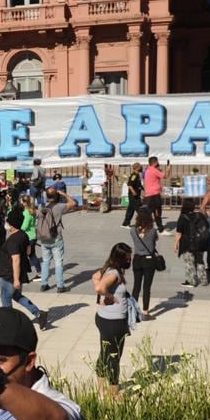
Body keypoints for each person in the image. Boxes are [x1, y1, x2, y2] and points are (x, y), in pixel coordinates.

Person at [91, 243, 133, 399]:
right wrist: (110, 297)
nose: (131, 259)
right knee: (114, 357)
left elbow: (95, 277)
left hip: (104, 319)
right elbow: (99, 288)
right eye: (129, 257)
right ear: (121, 258)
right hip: (113, 322)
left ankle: (100, 391)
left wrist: (104, 294)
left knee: (104, 354)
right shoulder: (114, 273)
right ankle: (114, 394)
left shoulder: (107, 268)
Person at [0, 210, 47, 328]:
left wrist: (15, 279)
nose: (6, 223)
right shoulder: (23, 235)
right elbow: (28, 251)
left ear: (12, 224)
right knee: (17, 296)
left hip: (9, 275)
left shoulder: (13, 241)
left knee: (6, 299)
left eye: (8, 221)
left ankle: (10, 324)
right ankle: (39, 314)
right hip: (19, 273)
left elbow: (16, 259)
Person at [36, 185, 75, 293]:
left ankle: (44, 284)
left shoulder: (41, 206)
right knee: (58, 262)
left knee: (45, 261)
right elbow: (73, 203)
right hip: (56, 238)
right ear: (56, 195)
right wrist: (63, 194)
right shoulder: (59, 206)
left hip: (43, 238)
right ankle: (60, 286)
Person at [130, 208, 160, 319]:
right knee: (147, 287)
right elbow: (154, 241)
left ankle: (132, 310)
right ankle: (145, 311)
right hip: (149, 260)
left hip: (137, 259)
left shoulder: (132, 230)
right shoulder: (152, 231)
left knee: (136, 286)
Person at [174, 200, 210, 287]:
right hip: (200, 242)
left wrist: (176, 244)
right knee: (200, 260)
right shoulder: (199, 215)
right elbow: (207, 226)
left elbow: (179, 233)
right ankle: (204, 280)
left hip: (187, 244)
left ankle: (192, 281)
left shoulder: (183, 217)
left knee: (189, 262)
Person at [143, 157, 166, 232]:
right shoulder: (154, 170)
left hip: (148, 194)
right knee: (157, 212)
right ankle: (160, 229)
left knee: (149, 212)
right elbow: (165, 176)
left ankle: (145, 228)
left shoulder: (148, 170)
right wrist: (169, 168)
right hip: (154, 195)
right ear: (155, 163)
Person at [19, 193, 39, 272]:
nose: (20, 202)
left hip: (28, 237)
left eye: (21, 201)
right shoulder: (31, 211)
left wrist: (16, 229)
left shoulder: (27, 212)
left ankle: (39, 272)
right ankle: (38, 271)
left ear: (24, 203)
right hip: (31, 236)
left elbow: (24, 226)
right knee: (30, 255)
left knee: (30, 255)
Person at [122, 162, 143, 227]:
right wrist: (133, 192)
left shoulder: (137, 175)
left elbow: (139, 185)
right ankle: (142, 223)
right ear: (137, 168)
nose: (141, 168)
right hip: (134, 196)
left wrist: (144, 189)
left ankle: (125, 223)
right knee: (140, 210)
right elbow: (130, 184)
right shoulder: (134, 175)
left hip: (136, 195)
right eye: (140, 167)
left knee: (130, 210)